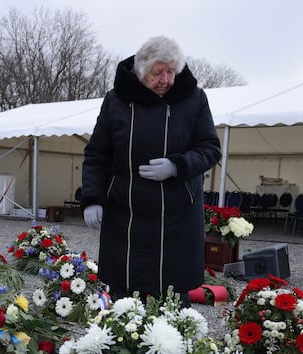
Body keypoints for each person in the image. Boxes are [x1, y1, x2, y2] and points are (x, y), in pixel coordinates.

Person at [80, 35, 221, 305]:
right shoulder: (116, 101)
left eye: (171, 71)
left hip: (176, 215)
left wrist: (177, 165)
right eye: (158, 73)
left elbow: (209, 148)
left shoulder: (194, 99)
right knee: (124, 298)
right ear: (142, 71)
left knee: (172, 297)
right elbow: (98, 154)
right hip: (126, 216)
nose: (166, 80)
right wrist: (92, 198)